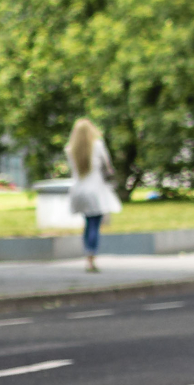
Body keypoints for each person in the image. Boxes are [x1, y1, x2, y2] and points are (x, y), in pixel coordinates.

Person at [66, 116, 122, 273]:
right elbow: (107, 167)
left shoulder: (71, 149)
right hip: (95, 191)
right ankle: (91, 257)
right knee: (94, 224)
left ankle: (87, 255)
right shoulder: (97, 146)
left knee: (87, 222)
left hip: (78, 191)